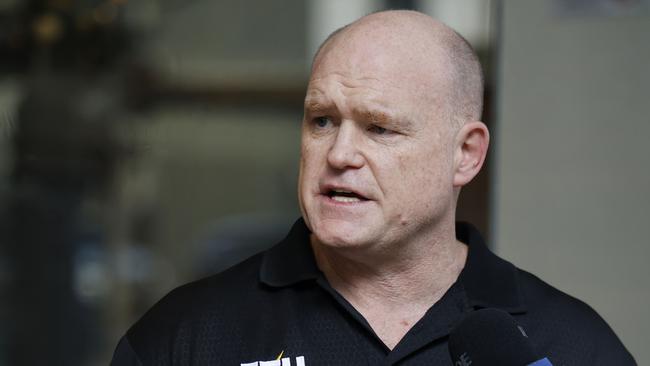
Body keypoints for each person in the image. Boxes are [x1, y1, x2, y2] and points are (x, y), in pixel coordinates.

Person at [111, 10, 635, 365]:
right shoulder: (188, 335)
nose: (338, 154)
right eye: (321, 121)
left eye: (379, 128)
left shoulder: (569, 344)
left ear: (466, 154)